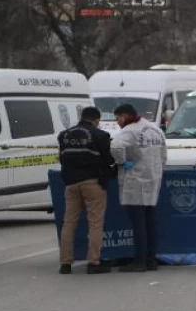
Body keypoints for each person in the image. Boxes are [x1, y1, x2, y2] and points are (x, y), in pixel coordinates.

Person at [58, 107, 116, 275]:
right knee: (95, 223)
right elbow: (109, 160)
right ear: (97, 120)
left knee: (69, 223)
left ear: (81, 118)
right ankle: (93, 263)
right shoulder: (100, 135)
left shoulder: (64, 135)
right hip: (93, 183)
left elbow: (62, 158)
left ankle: (65, 264)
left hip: (70, 184)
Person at [111, 104, 168, 272]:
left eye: (118, 118)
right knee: (151, 222)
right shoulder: (156, 129)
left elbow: (115, 146)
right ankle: (151, 260)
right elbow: (163, 155)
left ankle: (139, 261)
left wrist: (121, 162)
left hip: (135, 180)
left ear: (125, 115)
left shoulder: (130, 130)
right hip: (153, 179)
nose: (117, 122)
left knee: (138, 223)